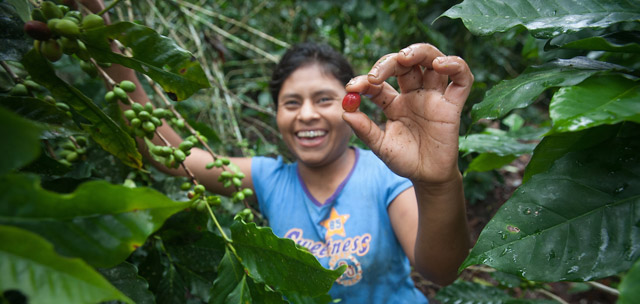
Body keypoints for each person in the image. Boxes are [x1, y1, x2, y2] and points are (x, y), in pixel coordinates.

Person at [82, 2, 472, 302]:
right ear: (276, 114)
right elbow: (166, 153)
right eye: (291, 103)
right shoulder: (268, 178)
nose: (306, 115)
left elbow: (440, 271)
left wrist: (437, 183)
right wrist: (108, 49)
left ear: (353, 104)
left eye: (323, 99)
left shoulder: (384, 175)